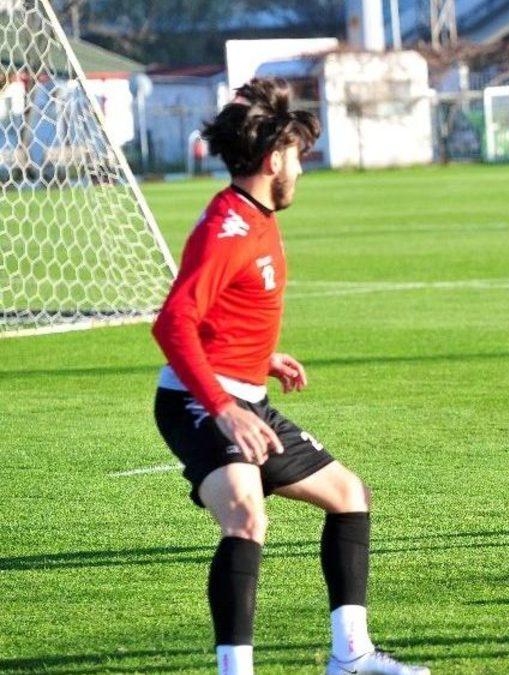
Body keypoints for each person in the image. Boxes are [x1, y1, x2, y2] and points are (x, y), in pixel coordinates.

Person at [152, 78, 429, 675]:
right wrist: (224, 409)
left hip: (243, 394)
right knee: (246, 516)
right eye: (297, 156)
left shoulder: (256, 214)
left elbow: (226, 311)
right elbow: (172, 323)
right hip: (200, 402)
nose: (301, 169)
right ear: (274, 159)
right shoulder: (227, 228)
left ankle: (351, 656)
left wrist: (262, 357)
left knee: (348, 496)